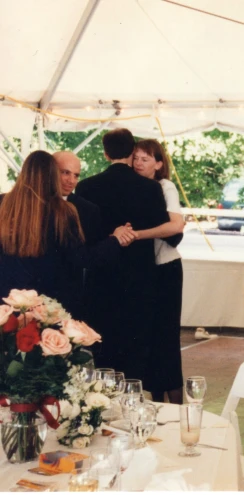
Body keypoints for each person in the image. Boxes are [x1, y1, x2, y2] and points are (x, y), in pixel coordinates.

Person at [75, 128, 173, 382]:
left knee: (102, 346)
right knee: (135, 347)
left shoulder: (85, 187)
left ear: (106, 154)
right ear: (132, 152)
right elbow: (167, 231)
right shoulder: (150, 189)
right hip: (140, 277)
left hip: (101, 276)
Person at [0, 151, 128, 317]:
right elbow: (83, 258)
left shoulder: (3, 203)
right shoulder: (62, 211)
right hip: (48, 304)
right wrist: (115, 239)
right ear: (52, 175)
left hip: (7, 301)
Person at [128, 139, 186, 404]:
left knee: (166, 338)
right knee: (147, 337)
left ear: (159, 164)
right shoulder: (133, 188)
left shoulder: (165, 187)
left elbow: (175, 226)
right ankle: (157, 401)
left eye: (145, 159)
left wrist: (137, 235)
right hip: (145, 271)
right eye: (136, 158)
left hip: (166, 269)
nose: (139, 163)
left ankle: (176, 403)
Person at [54, 151, 105, 246]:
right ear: (50, 171)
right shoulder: (31, 204)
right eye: (65, 173)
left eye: (76, 175)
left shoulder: (89, 210)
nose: (71, 181)